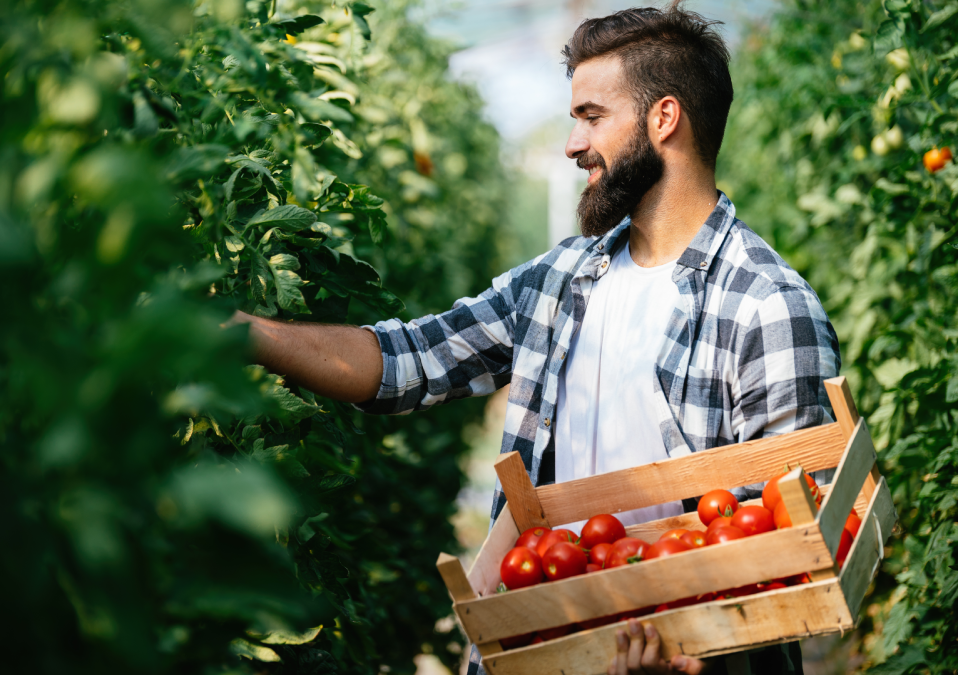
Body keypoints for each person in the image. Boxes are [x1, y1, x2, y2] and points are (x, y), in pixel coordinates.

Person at [232, 3, 840, 673]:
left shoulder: (765, 307)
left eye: (591, 117)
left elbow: (791, 549)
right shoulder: (557, 283)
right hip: (540, 643)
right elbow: (406, 362)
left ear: (663, 118)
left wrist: (681, 637)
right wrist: (245, 336)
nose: (572, 145)